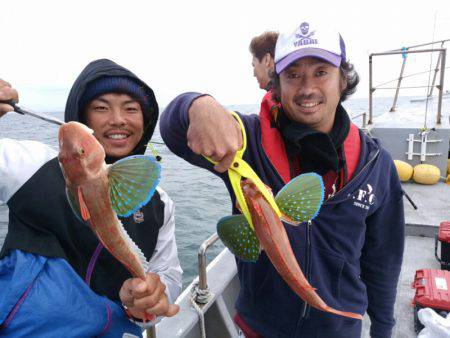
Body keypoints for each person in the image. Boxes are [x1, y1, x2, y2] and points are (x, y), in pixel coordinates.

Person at [160, 20, 405, 338]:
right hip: (262, 328)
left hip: (340, 328)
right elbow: (172, 131)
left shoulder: (375, 163)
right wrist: (195, 105)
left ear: (342, 79)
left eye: (321, 72)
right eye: (293, 75)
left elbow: (383, 257)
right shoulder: (246, 143)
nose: (307, 88)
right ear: (277, 83)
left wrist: (383, 328)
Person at [0, 59, 182, 337]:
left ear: (145, 122)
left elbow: (166, 280)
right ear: (81, 117)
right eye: (101, 107)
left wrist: (146, 302)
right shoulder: (30, 165)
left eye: (131, 108)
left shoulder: (159, 203)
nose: (118, 119)